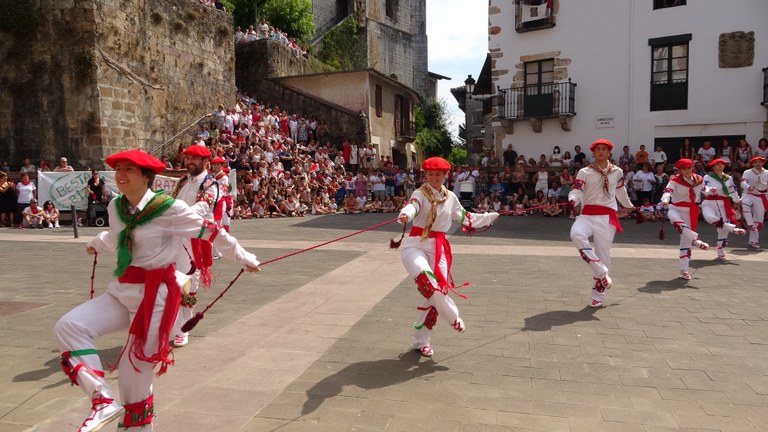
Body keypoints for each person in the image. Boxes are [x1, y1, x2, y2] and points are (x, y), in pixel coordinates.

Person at [53, 150, 260, 432]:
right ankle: (102, 400)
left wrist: (244, 257)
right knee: (69, 326)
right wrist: (97, 243)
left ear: (147, 177)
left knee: (132, 376)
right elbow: (116, 236)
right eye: (118, 169)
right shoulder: (116, 206)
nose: (121, 175)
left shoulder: (168, 209)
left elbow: (211, 230)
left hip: (155, 297)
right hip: (122, 289)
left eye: (129, 169)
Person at [397, 157, 499, 357]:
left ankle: (421, 341)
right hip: (415, 246)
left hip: (438, 250)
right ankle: (454, 317)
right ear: (425, 175)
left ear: (445, 175)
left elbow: (465, 217)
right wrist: (406, 214)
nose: (434, 178)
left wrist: (489, 217)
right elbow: (413, 206)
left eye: (438, 174)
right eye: (430, 174)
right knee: (429, 283)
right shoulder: (420, 193)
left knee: (436, 296)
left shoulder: (451, 197)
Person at [569, 139, 635, 308]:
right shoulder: (584, 171)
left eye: (604, 149)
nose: (600, 152)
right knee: (576, 234)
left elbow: (621, 192)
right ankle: (600, 271)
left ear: (609, 152)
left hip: (607, 217)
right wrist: (573, 199)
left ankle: (598, 294)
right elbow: (577, 191)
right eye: (597, 149)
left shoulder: (618, 172)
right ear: (593, 153)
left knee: (604, 254)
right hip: (587, 215)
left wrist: (630, 206)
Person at [169, 145, 220, 348]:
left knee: (189, 282)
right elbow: (171, 201)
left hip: (194, 238)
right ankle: (171, 323)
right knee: (170, 280)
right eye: (187, 158)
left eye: (194, 159)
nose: (189, 162)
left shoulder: (210, 184)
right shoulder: (183, 180)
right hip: (174, 235)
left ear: (205, 162)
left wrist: (180, 215)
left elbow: (203, 207)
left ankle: (184, 328)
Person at [660, 158, 709, 280]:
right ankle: (696, 240)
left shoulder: (699, 180)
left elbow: (704, 190)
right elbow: (668, 191)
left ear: (692, 168)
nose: (686, 171)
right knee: (677, 223)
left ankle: (684, 269)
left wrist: (711, 191)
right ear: (679, 170)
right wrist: (665, 199)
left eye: (688, 168)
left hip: (690, 210)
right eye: (683, 169)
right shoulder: (675, 180)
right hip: (675, 208)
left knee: (685, 241)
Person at [701, 159, 746, 260]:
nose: (720, 166)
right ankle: (733, 229)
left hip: (723, 203)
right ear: (713, 167)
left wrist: (737, 200)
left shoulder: (728, 178)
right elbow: (704, 188)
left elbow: (732, 191)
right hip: (709, 201)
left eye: (722, 164)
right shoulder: (708, 176)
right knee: (710, 218)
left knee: (722, 230)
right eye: (717, 164)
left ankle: (721, 251)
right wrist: (710, 190)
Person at [740, 156, 768, 249]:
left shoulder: (767, 173)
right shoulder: (747, 172)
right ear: (752, 164)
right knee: (745, 203)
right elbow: (743, 182)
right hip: (749, 193)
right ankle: (750, 223)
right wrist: (748, 187)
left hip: (761, 196)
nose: (758, 163)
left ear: (763, 163)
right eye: (756, 162)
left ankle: (753, 241)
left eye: (760, 162)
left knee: (759, 220)